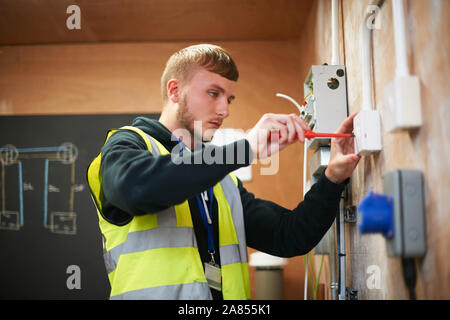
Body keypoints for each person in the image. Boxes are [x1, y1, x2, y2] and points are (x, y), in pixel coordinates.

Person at [86, 44, 360, 300]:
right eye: (213, 94)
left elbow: (289, 236)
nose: (225, 110)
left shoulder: (222, 184)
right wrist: (245, 149)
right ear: (174, 91)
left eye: (229, 99)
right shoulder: (126, 144)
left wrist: (332, 178)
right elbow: (135, 190)